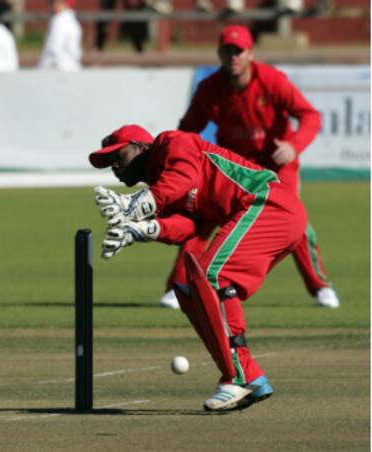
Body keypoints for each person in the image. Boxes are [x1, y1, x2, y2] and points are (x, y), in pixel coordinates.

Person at [89, 124, 304, 411]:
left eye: (119, 155)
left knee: (215, 276)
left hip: (268, 203)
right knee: (190, 292)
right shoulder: (159, 185)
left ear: (141, 147)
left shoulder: (172, 143)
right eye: (108, 163)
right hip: (262, 213)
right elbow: (187, 227)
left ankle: (237, 377)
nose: (114, 166)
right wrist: (140, 230)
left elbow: (182, 178)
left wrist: (138, 204)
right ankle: (247, 375)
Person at [158, 24, 339, 310]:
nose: (233, 57)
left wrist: (294, 147)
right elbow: (187, 131)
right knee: (202, 217)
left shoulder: (272, 81)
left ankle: (320, 286)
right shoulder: (209, 89)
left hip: (276, 162)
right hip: (235, 167)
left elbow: (310, 116)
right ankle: (178, 288)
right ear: (219, 53)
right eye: (227, 51)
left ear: (250, 53)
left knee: (294, 220)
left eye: (239, 51)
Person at [38, 0, 82, 71]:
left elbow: (54, 50)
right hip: (71, 67)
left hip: (59, 70)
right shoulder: (72, 21)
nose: (50, 6)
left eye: (52, 2)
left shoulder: (59, 21)